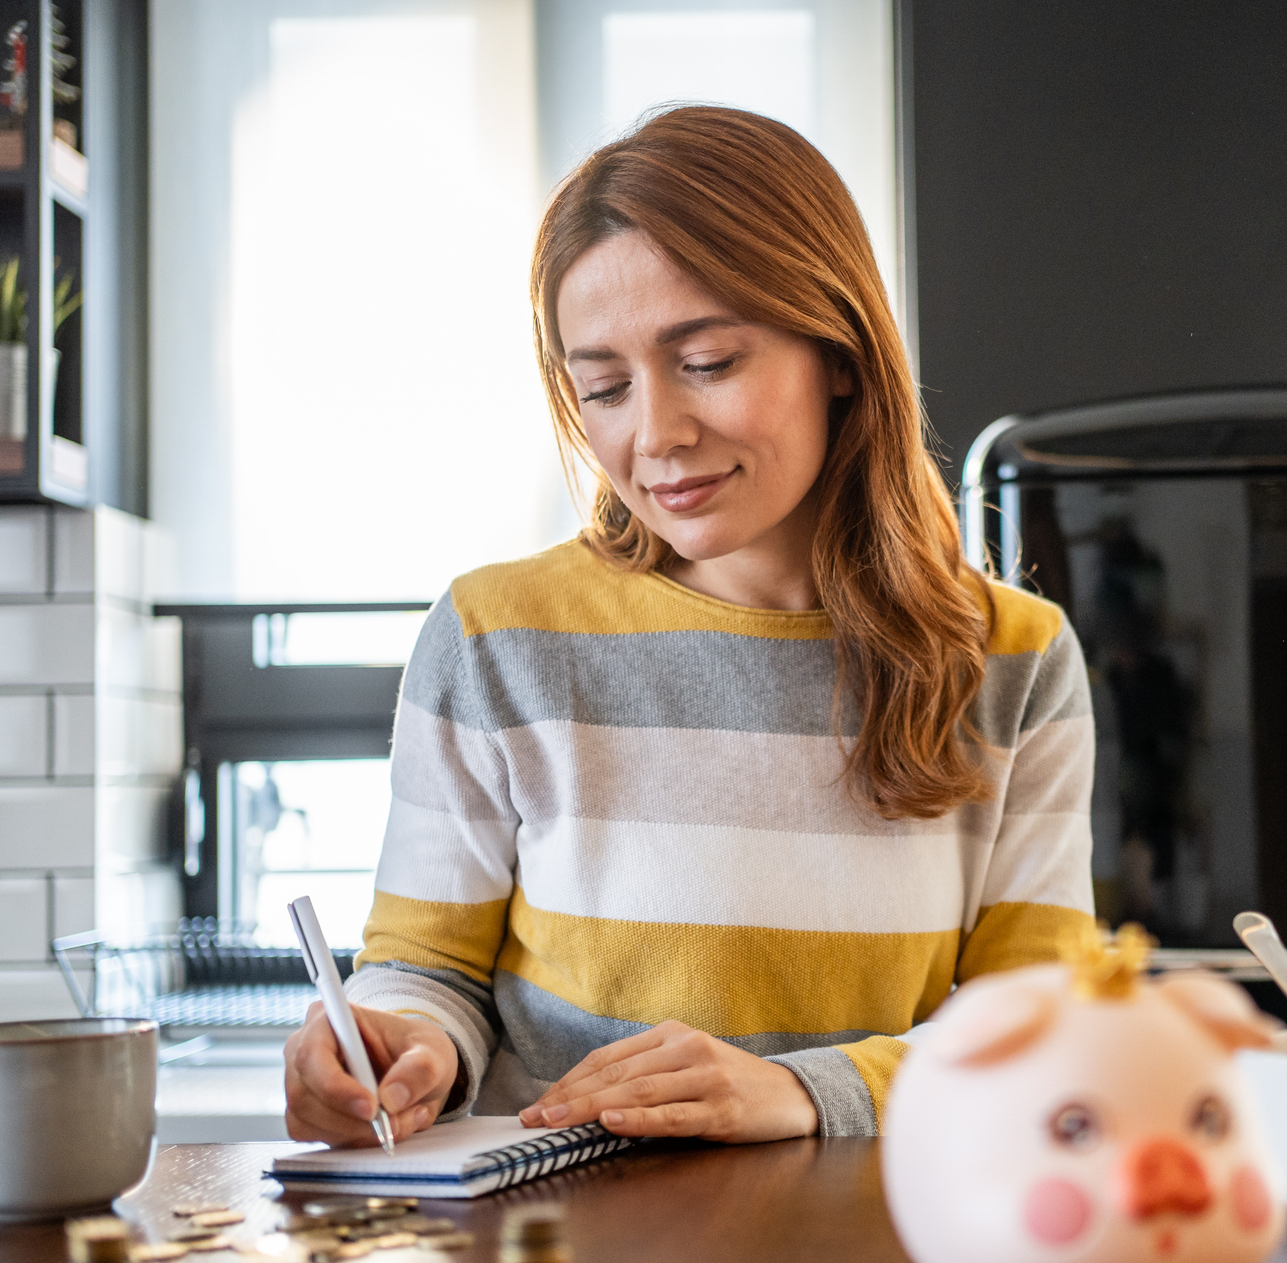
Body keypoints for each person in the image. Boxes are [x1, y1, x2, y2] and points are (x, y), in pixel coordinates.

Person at [282, 105, 1093, 1147]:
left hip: (890, 1244)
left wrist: (803, 1092)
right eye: (605, 387)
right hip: (564, 1257)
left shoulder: (1015, 661)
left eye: (708, 361)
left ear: (838, 352)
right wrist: (403, 1041)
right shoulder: (494, 637)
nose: (655, 435)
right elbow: (427, 966)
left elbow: (1035, 1025)